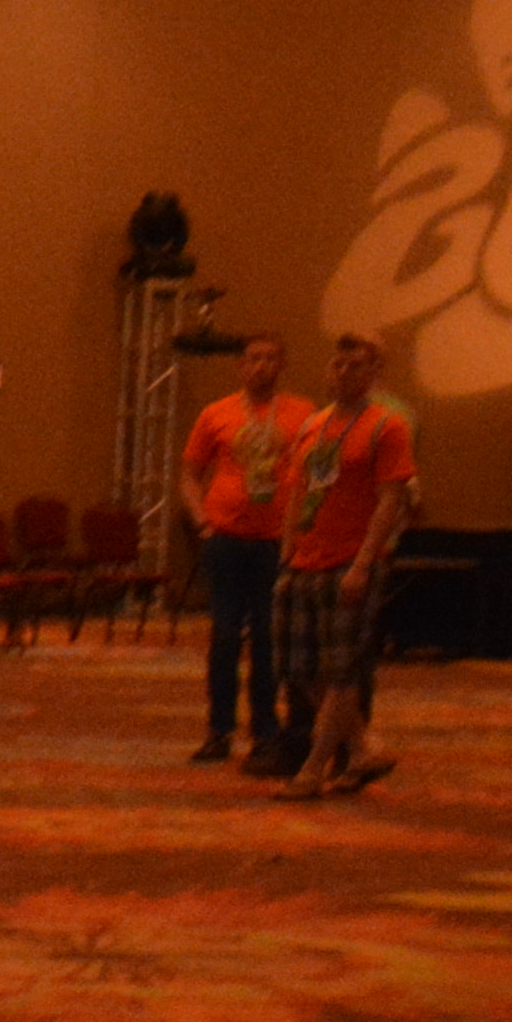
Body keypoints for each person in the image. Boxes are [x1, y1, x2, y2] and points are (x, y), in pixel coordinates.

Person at [274, 332, 420, 796]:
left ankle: (313, 769)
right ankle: (362, 747)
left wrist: (363, 564)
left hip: (350, 562)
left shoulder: (386, 427)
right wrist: (287, 553)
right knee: (300, 668)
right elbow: (297, 492)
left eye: (356, 365)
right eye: (338, 364)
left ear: (375, 372)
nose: (343, 373)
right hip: (305, 560)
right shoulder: (313, 426)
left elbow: (390, 501)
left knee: (340, 671)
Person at [177, 330, 310, 767]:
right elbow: (189, 474)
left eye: (270, 358)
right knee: (225, 636)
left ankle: (266, 731)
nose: (261, 366)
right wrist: (202, 522)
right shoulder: (216, 413)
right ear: (241, 366)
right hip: (226, 539)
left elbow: (313, 472)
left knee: (270, 639)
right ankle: (219, 730)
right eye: (253, 358)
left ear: (282, 366)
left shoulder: (302, 414)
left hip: (277, 542)